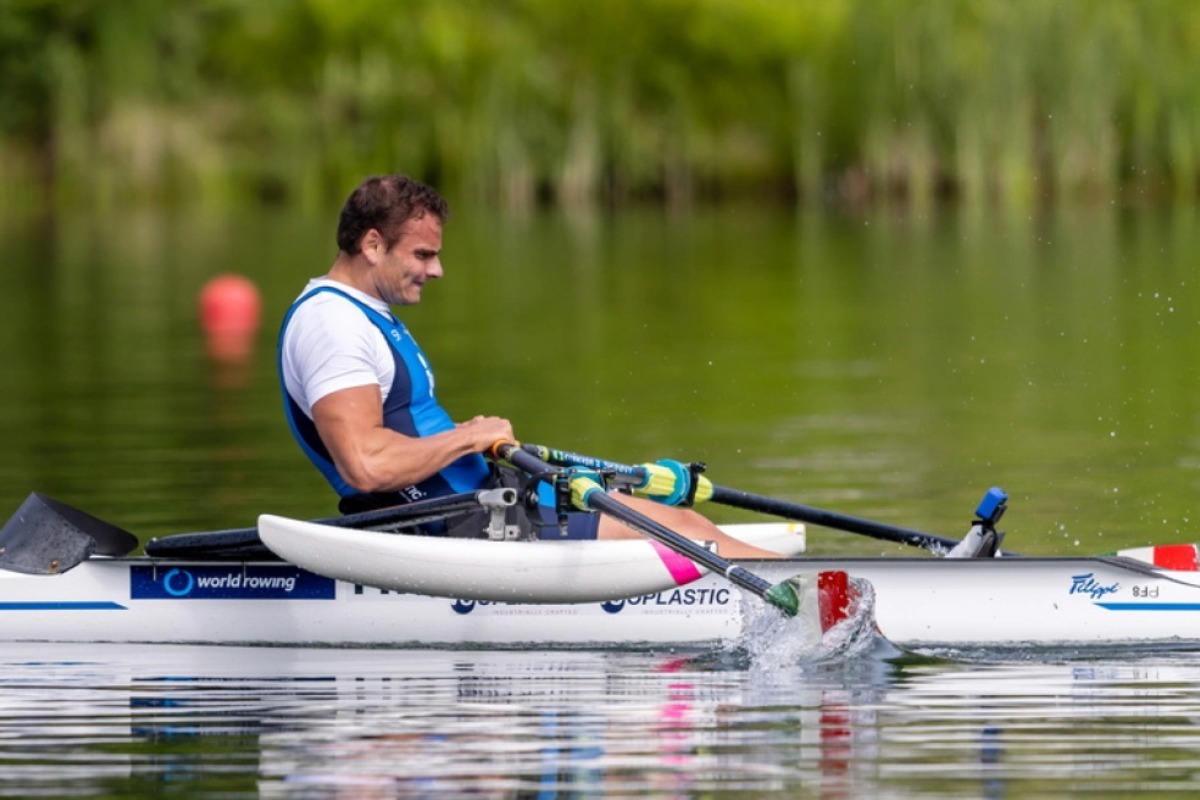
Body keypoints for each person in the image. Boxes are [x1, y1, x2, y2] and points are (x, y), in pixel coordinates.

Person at [278, 173, 781, 558]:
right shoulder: (332, 325)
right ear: (371, 244)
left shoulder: (360, 314)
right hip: (454, 526)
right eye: (424, 254)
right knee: (686, 533)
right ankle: (826, 600)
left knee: (682, 516)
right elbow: (365, 465)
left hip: (483, 502)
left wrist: (471, 439)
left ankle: (815, 588)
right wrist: (469, 437)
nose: (437, 270)